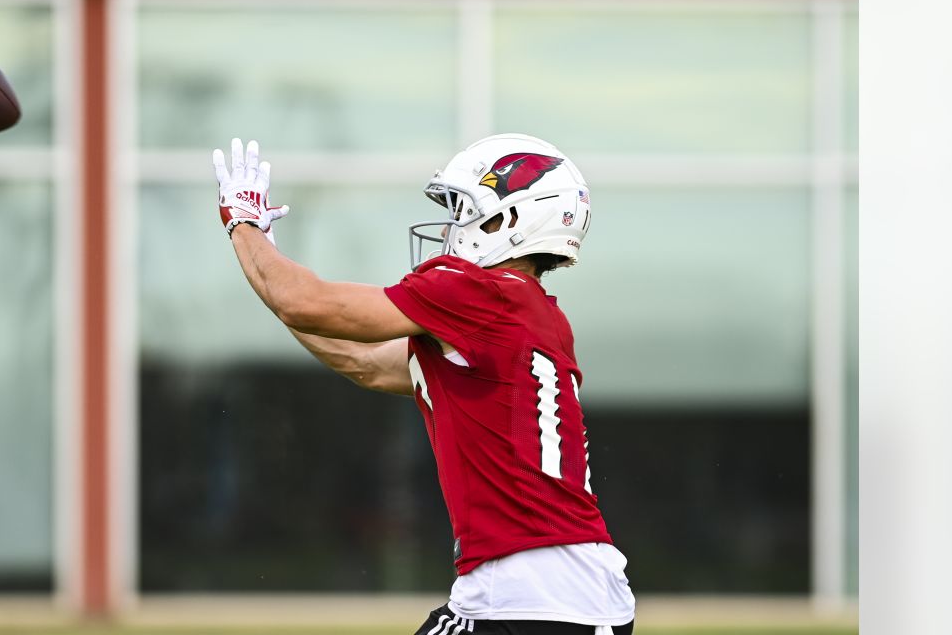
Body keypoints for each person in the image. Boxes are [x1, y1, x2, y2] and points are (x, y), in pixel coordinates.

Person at [212, 134, 636, 635]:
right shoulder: (533, 314)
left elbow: (307, 304)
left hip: (522, 593)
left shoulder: (478, 293)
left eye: (465, 209)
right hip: (584, 593)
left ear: (514, 219)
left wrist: (243, 225)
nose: (454, 225)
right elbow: (362, 360)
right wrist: (269, 269)